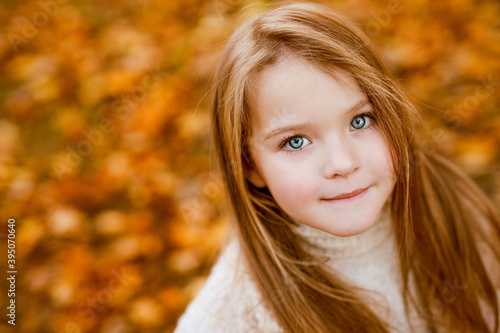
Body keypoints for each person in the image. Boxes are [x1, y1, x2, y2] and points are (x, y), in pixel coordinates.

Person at [175, 2, 500, 332]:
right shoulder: (231, 317)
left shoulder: (454, 213)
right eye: (296, 141)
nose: (343, 164)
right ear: (249, 165)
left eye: (361, 121)